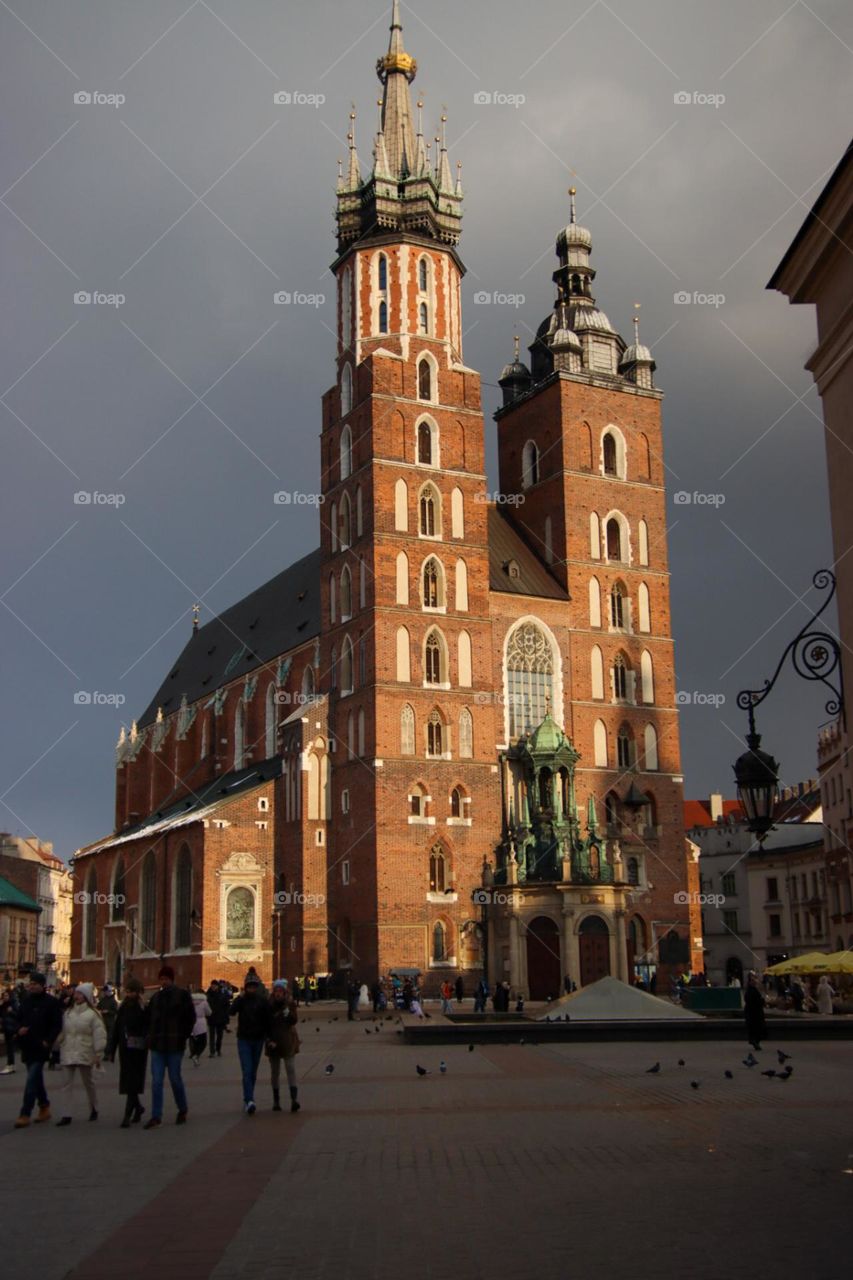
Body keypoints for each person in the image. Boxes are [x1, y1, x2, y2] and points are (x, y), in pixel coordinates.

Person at [144, 965, 195, 1129]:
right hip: (158, 1045)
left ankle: (182, 1109)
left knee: (175, 1079)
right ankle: (156, 1116)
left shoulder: (182, 995)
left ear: (171, 979)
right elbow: (148, 1018)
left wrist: (183, 1035)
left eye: (166, 979)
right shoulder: (156, 998)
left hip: (175, 1044)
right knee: (157, 1081)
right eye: (162, 979)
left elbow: (190, 1017)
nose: (163, 982)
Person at [13, 973, 63, 1128]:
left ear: (42, 985)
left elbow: (56, 1024)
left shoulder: (51, 1002)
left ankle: (25, 1113)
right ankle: (44, 1106)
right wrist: (18, 1029)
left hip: (41, 1046)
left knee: (31, 1078)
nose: (32, 986)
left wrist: (48, 1041)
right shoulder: (26, 1001)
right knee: (36, 1079)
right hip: (27, 1044)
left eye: (35, 983)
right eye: (31, 983)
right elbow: (18, 1019)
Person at [54, 982, 107, 1126]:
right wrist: (58, 1043)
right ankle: (66, 1114)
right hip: (69, 1050)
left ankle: (94, 1108)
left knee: (88, 1083)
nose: (76, 996)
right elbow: (64, 1032)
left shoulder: (93, 1014)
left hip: (85, 1051)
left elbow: (99, 1034)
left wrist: (98, 1052)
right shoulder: (68, 1013)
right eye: (76, 993)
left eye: (80, 994)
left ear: (86, 997)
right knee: (66, 1084)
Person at [106, 976, 149, 1127]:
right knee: (129, 1082)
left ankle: (127, 1115)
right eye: (127, 991)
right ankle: (138, 1108)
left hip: (138, 1050)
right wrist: (111, 1049)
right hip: (125, 1049)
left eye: (130, 992)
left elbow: (146, 1028)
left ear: (138, 992)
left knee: (132, 1082)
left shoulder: (142, 1008)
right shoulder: (123, 1007)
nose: (128, 994)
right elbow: (117, 1029)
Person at [231, 972, 272, 1114]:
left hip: (258, 1039)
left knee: (252, 1071)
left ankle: (248, 1098)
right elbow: (231, 1011)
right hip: (244, 1039)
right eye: (249, 987)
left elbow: (268, 1020)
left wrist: (269, 1038)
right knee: (247, 1070)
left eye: (254, 987)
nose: (251, 989)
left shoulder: (262, 1001)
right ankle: (249, 1100)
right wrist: (239, 998)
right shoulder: (242, 1001)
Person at [266, 979, 300, 1112]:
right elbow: (266, 1024)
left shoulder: (290, 1003)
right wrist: (268, 1040)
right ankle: (276, 1101)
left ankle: (294, 1100)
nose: (278, 993)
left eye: (280, 991)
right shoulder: (268, 1005)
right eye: (276, 991)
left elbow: (294, 1020)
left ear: (284, 991)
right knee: (275, 1072)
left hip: (287, 1041)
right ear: (273, 992)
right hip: (273, 1042)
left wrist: (288, 1013)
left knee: (290, 1069)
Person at [205, 980, 230, 1057]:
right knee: (211, 1036)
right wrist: (207, 1015)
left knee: (219, 1036)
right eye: (212, 985)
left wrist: (226, 1018)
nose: (213, 987)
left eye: (215, 985)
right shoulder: (208, 994)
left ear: (217, 986)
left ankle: (218, 1049)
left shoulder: (222, 994)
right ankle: (212, 1052)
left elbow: (226, 1007)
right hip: (211, 1018)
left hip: (220, 1018)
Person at [744, 973, 767, 1051]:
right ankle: (755, 1042)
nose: (755, 981)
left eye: (755, 980)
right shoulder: (751, 991)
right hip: (754, 1013)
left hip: (752, 1013)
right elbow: (755, 1001)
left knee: (755, 1028)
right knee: (757, 1027)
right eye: (753, 980)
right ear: (750, 982)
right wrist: (762, 1000)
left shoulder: (750, 990)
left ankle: (755, 1041)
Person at [1, 985, 21, 1073]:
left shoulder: (13, 1004)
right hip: (6, 1028)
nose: (5, 997)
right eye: (4, 996)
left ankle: (11, 1065)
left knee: (10, 1047)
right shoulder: (3, 1005)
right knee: (9, 1047)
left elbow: (18, 1015)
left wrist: (11, 1012)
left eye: (6, 996)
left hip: (11, 1028)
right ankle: (10, 1065)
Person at [188, 989, 211, 1064]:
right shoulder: (204, 1002)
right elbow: (209, 1012)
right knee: (203, 1042)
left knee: (192, 1039)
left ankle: (193, 1052)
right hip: (201, 1023)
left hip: (191, 1022)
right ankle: (196, 1054)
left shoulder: (190, 1002)